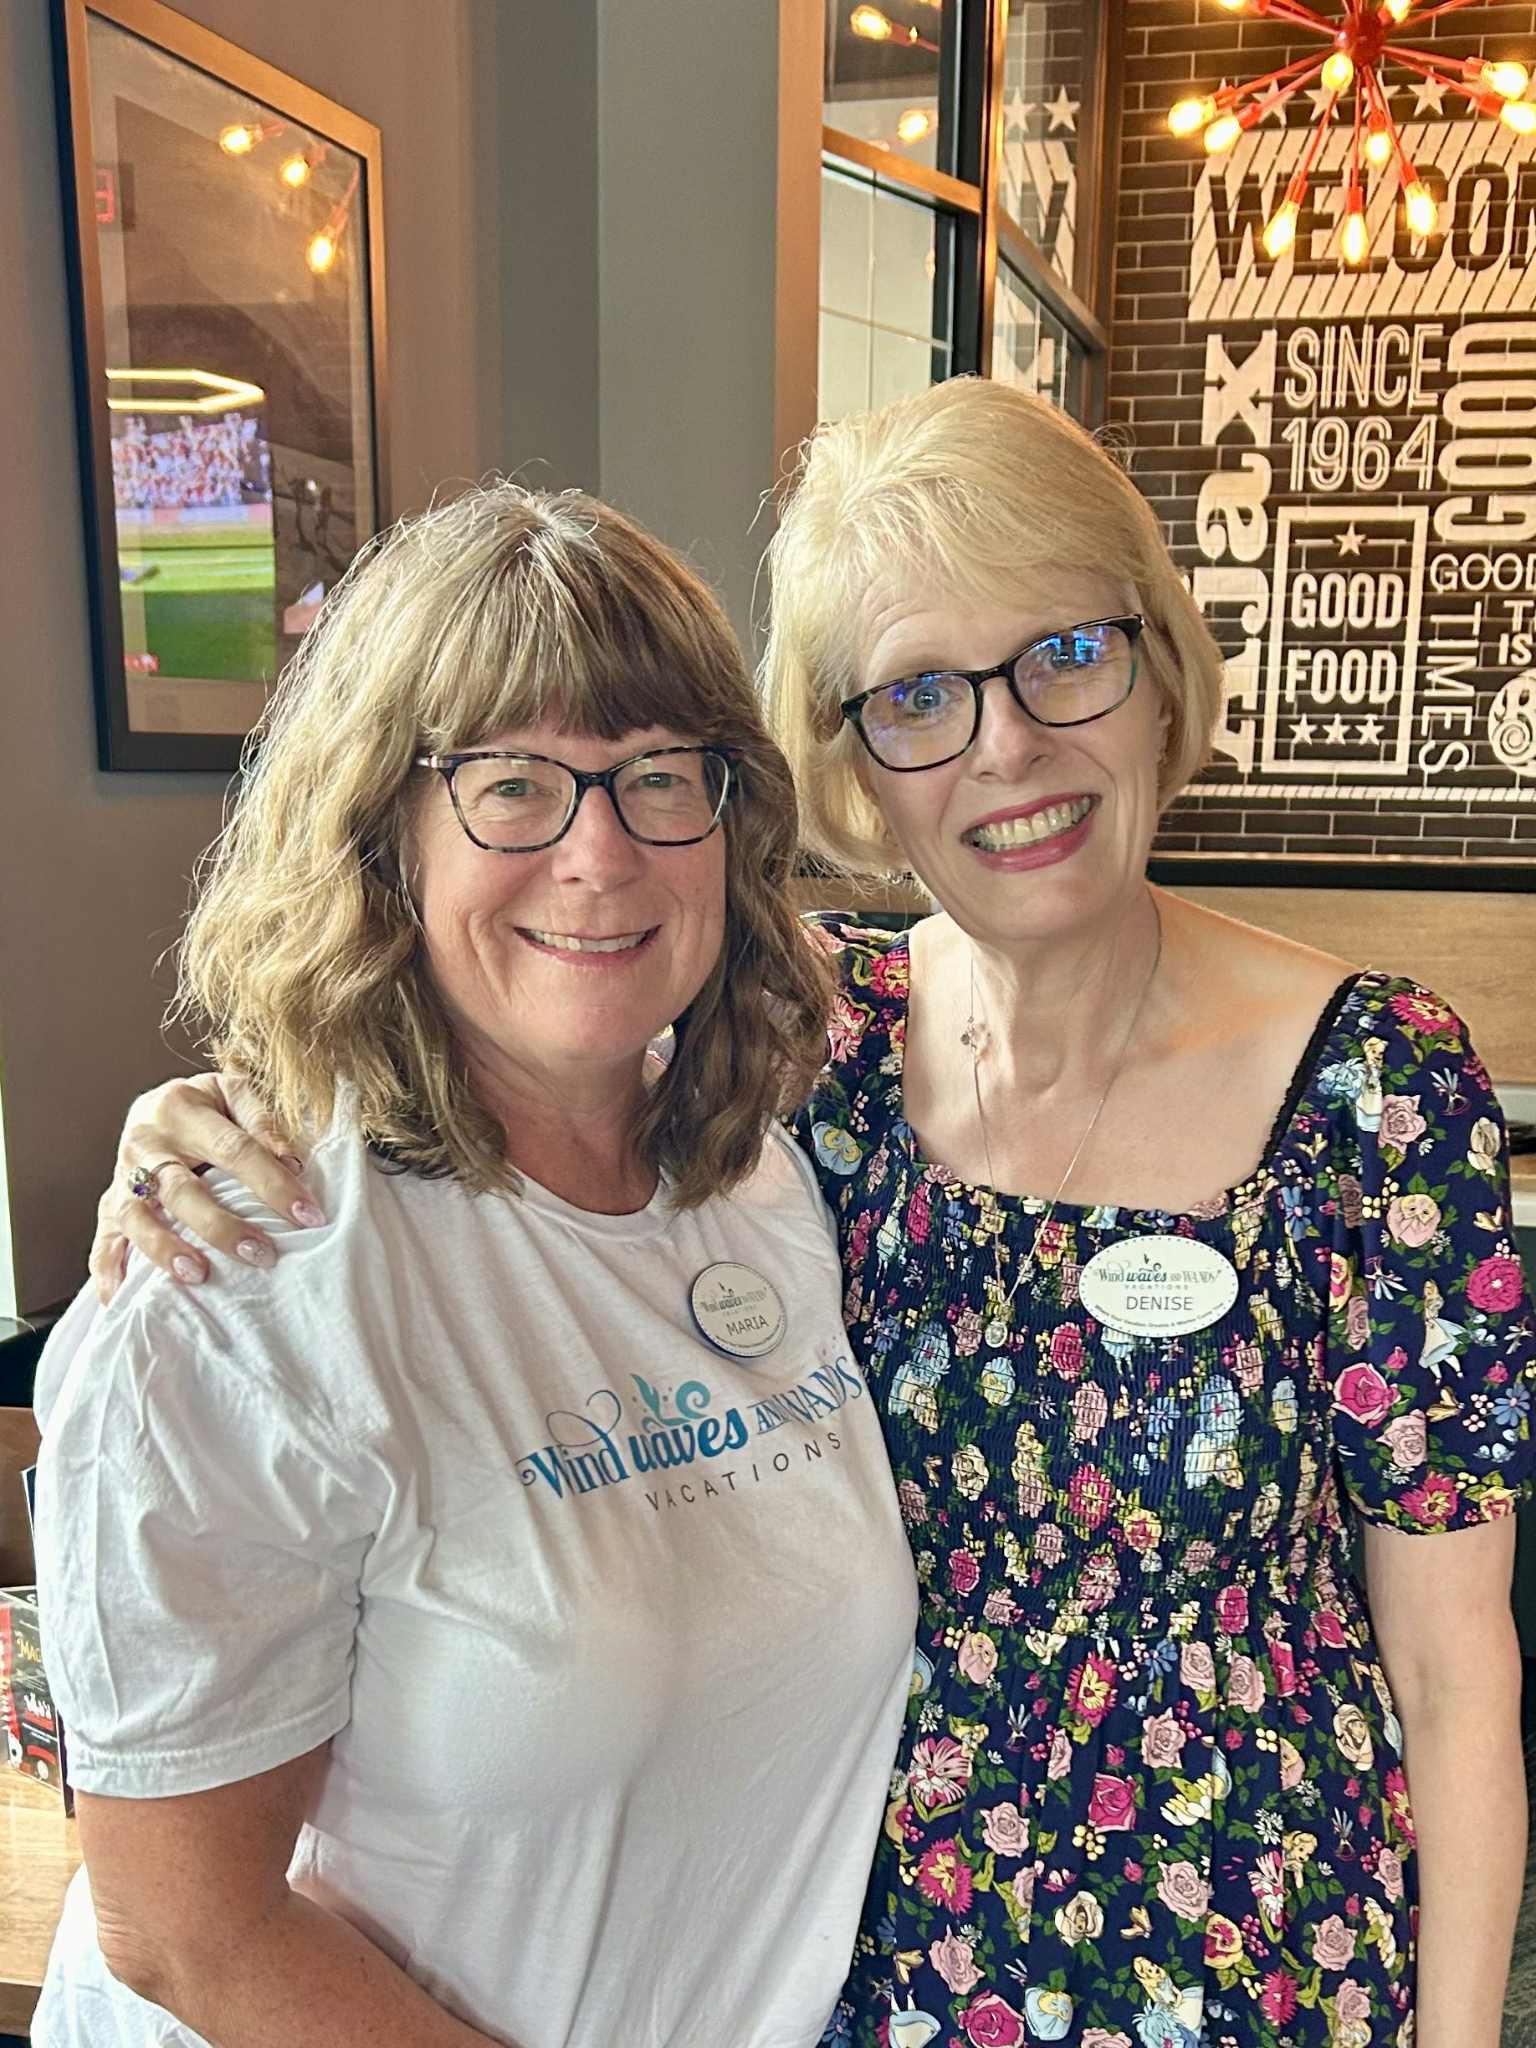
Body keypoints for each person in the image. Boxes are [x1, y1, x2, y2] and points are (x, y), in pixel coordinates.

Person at [91, 381, 1535, 2048]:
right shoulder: (794, 1052)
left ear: (1158, 675)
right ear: (851, 762)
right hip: (859, 1983)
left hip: (1265, 1969)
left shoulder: (1379, 1090)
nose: (1008, 746)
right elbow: (480, 1035)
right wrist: (233, 1105)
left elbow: (1454, 1671)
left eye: (1067, 652)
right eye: (919, 693)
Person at [32, 484, 919, 2048]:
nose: (600, 856)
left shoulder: (765, 1180)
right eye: (511, 786)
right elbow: (187, 1933)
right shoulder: (241, 1279)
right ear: (384, 829)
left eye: (660, 777)